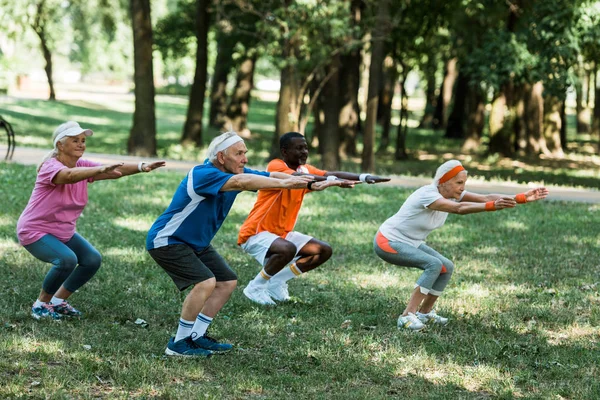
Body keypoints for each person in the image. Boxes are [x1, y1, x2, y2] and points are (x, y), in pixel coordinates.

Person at [146, 131, 343, 358]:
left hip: (196, 243)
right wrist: (291, 183)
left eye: (245, 153)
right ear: (221, 157)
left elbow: (271, 176)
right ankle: (178, 343)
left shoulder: (234, 171)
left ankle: (197, 336)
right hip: (168, 240)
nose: (245, 159)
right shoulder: (204, 173)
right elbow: (243, 181)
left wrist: (309, 184)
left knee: (227, 281)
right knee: (206, 282)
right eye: (239, 153)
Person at [374, 159, 549, 331]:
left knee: (446, 267)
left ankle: (424, 313)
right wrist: (491, 207)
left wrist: (521, 198)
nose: (463, 187)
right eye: (459, 182)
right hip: (388, 241)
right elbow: (460, 209)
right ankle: (406, 316)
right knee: (433, 264)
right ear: (443, 181)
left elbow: (485, 197)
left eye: (464, 182)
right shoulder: (427, 194)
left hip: (411, 242)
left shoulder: (452, 194)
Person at [17, 121, 165, 320]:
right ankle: (40, 305)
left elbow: (116, 171)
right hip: (35, 231)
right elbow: (68, 176)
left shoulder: (82, 166)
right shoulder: (50, 167)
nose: (81, 144)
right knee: (67, 259)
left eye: (83, 141)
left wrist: (142, 166)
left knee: (92, 259)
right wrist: (99, 170)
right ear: (60, 145)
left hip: (62, 231)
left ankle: (58, 301)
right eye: (75, 140)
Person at [239, 131, 390, 305]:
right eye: (299, 148)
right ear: (285, 151)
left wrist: (365, 177)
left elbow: (327, 174)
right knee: (287, 249)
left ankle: (277, 280)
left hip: (282, 234)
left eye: (306, 148)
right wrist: (336, 181)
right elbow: (299, 179)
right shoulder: (276, 166)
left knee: (322, 250)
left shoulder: (305, 169)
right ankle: (255, 287)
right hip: (256, 233)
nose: (304, 152)